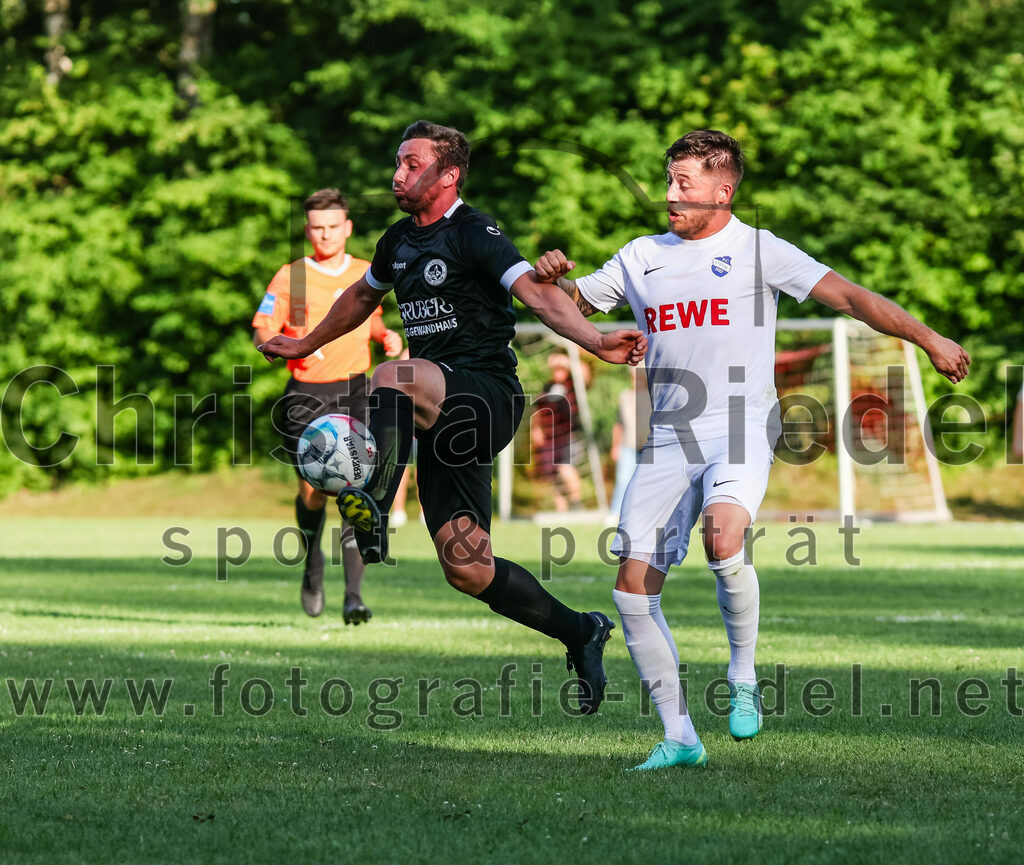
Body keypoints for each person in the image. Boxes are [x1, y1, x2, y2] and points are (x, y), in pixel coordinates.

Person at [535, 129, 970, 768]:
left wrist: (929, 338)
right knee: (630, 588)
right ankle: (680, 737)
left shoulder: (760, 250)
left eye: (684, 183)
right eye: (669, 181)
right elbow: (571, 302)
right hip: (669, 435)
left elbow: (851, 297)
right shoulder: (640, 256)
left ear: (723, 189)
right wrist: (552, 279)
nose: (670, 195)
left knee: (723, 535)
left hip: (742, 423)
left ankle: (742, 676)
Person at [258, 120, 647, 715]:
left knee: (394, 374)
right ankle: (580, 631)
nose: (398, 175)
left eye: (412, 165)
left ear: (448, 174)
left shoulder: (475, 231)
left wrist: (595, 341)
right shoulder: (397, 241)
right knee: (467, 567)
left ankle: (372, 503)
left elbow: (538, 295)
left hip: (484, 395)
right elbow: (362, 299)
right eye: (397, 163)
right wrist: (307, 342)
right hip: (433, 416)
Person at [252, 188, 402, 623]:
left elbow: (366, 318)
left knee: (356, 490)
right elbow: (262, 328)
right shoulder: (290, 276)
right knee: (315, 490)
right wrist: (283, 349)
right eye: (317, 228)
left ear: (348, 228)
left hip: (356, 391)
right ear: (307, 230)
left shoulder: (364, 271)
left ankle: (353, 596)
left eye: (333, 227)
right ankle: (312, 564)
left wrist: (384, 336)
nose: (325, 235)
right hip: (307, 395)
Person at [530, 353, 585, 512]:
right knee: (554, 474)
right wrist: (536, 429)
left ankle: (576, 504)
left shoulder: (572, 383)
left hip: (569, 434)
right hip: (551, 437)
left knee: (565, 467)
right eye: (555, 369)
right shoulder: (547, 386)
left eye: (561, 369)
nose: (557, 372)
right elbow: (538, 409)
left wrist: (568, 360)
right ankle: (561, 510)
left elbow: (585, 373)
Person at [609, 365, 651, 520]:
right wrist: (615, 446)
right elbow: (618, 423)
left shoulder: (651, 395)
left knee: (647, 482)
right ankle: (615, 511)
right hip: (628, 446)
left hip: (648, 446)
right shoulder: (625, 396)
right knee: (623, 479)